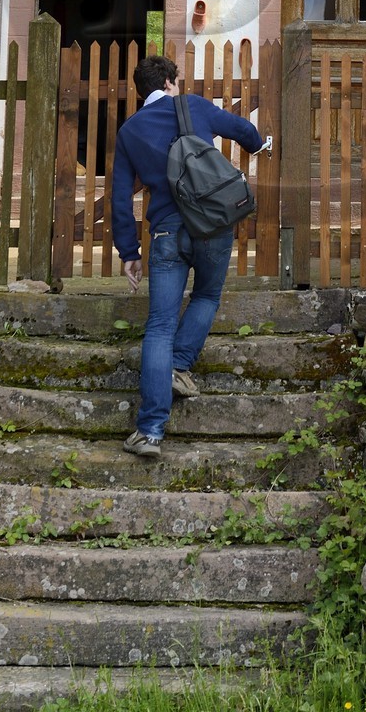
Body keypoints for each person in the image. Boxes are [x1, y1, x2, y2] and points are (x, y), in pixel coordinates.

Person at [111, 54, 264, 458]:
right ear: (169, 81)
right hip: (213, 226)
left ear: (142, 90)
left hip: (165, 232)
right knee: (207, 296)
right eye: (178, 79)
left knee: (159, 324)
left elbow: (120, 197)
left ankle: (151, 430)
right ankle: (179, 365)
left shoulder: (130, 132)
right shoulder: (193, 105)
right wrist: (258, 142)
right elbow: (244, 131)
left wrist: (130, 251)